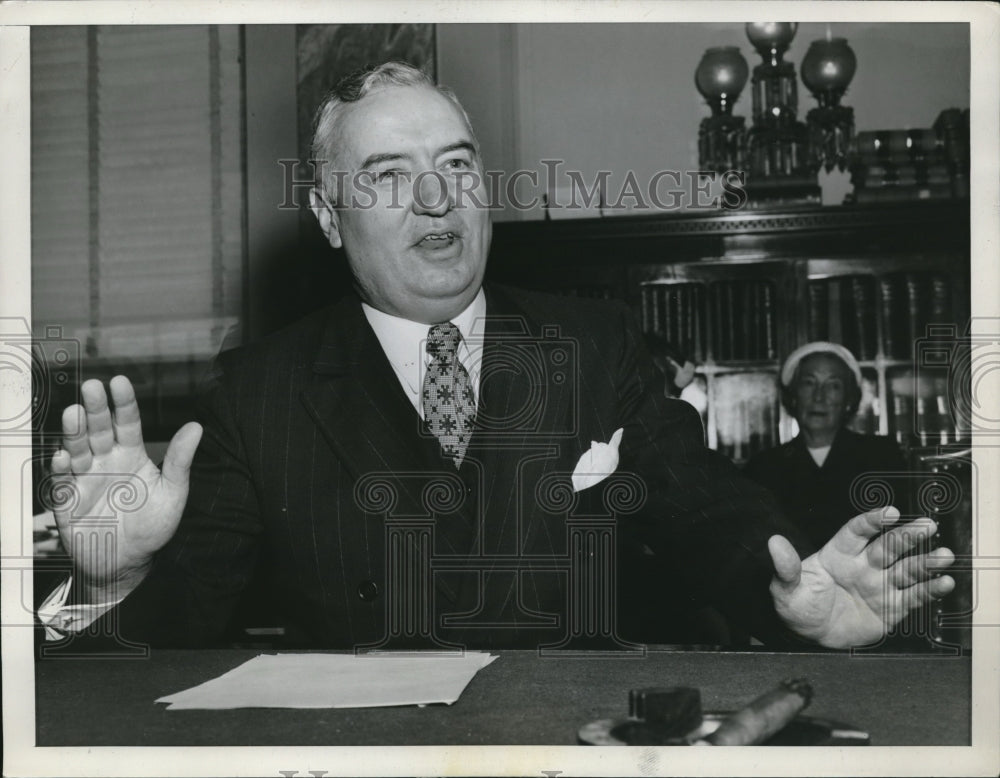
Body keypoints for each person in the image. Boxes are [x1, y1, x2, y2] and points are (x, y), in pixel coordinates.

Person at [41, 62, 954, 651]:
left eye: (459, 165)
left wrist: (788, 583)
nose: (436, 199)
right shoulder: (263, 391)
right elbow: (168, 653)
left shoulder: (594, 343)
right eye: (389, 176)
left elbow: (705, 502)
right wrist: (107, 584)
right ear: (327, 217)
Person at [745, 342, 909, 550]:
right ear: (793, 397)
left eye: (833, 385)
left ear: (849, 400)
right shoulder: (763, 467)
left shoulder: (882, 455)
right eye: (808, 383)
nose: (819, 397)